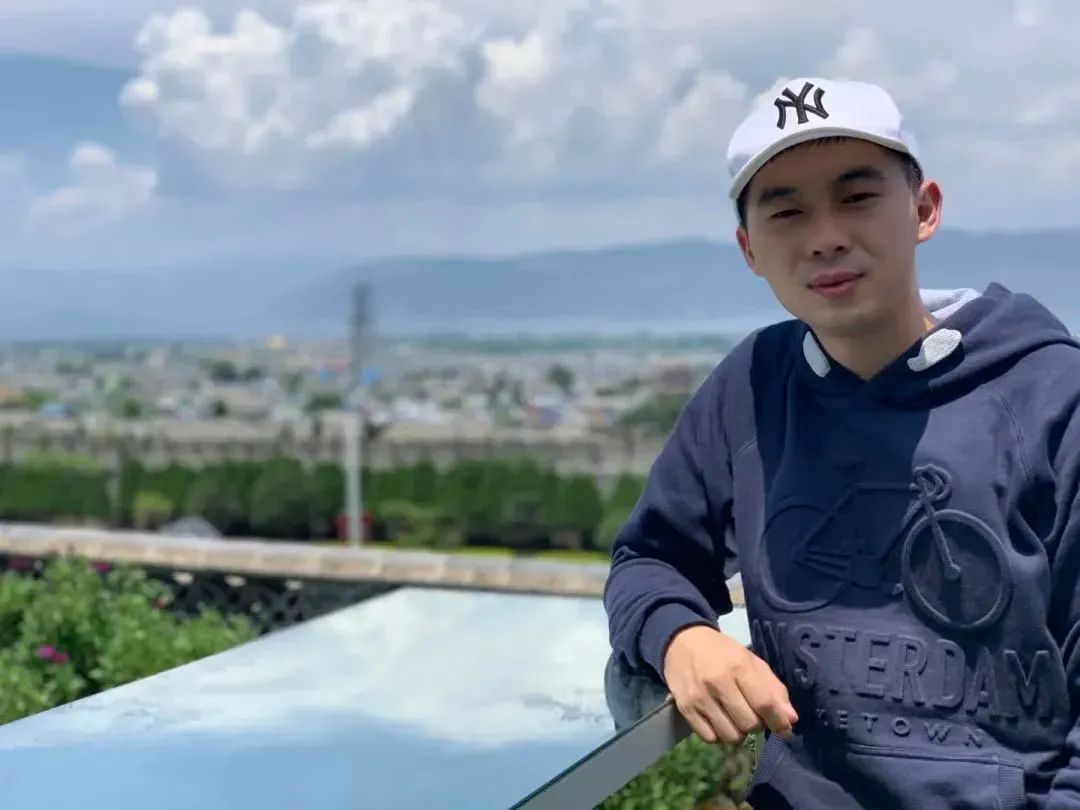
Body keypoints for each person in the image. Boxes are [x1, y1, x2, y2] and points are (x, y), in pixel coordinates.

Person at [603, 75, 1080, 809]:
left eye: (857, 198)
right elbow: (648, 559)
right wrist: (680, 638)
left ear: (924, 210)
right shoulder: (751, 388)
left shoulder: (1051, 395)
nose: (825, 237)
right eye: (786, 211)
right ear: (749, 249)